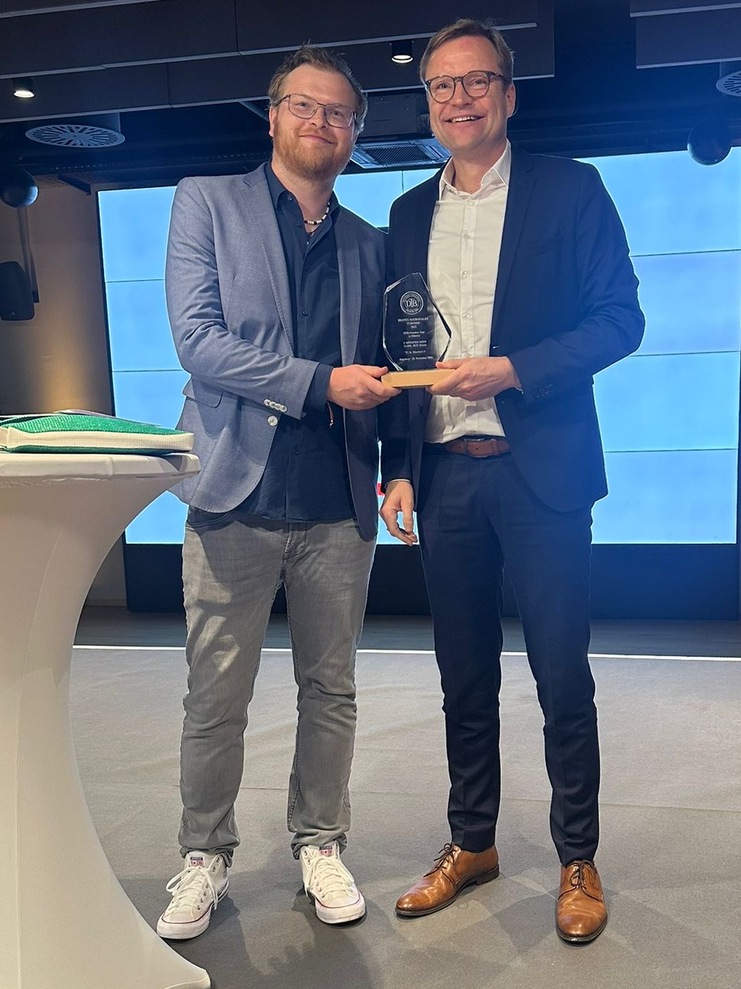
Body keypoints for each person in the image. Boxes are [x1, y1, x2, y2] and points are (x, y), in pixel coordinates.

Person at [380, 18, 644, 943]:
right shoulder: (406, 213)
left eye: (475, 81)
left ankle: (577, 856)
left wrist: (514, 369)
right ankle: (473, 842)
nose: (458, 98)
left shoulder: (571, 189)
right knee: (462, 679)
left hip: (541, 475)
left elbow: (619, 320)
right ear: (427, 103)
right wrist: (400, 468)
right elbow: (398, 348)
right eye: (441, 85)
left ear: (507, 93)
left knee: (561, 674)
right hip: (445, 477)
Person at [159, 45, 400, 939]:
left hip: (338, 499)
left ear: (354, 133)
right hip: (233, 493)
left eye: (339, 113)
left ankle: (320, 841)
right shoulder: (205, 201)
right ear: (273, 116)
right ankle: (203, 854)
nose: (321, 123)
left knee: (330, 688)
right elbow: (197, 340)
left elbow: (385, 370)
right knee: (216, 696)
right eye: (305, 105)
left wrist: (400, 458)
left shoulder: (369, 242)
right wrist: (317, 382)